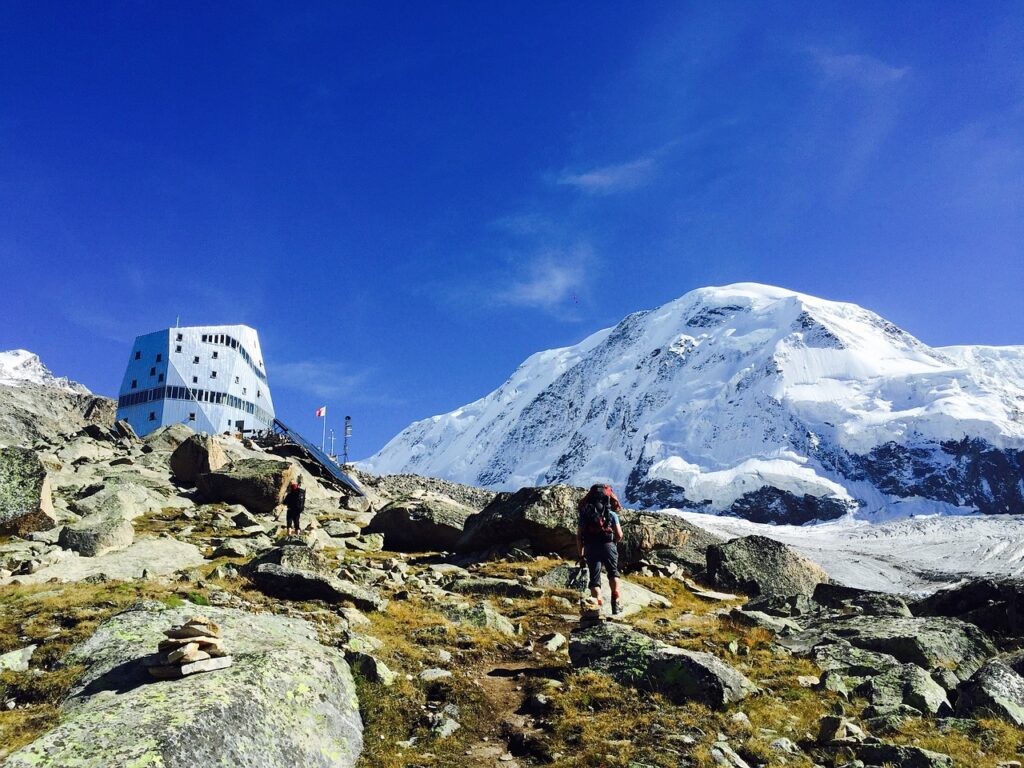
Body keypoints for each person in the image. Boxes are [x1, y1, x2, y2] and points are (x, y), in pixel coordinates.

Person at [576, 483, 624, 614]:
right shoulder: (611, 514)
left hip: (591, 547)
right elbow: (619, 534)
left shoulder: (585, 515)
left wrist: (581, 556)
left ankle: (598, 606)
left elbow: (579, 537)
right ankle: (616, 598)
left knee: (594, 579)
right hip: (608, 545)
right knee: (613, 572)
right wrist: (614, 543)